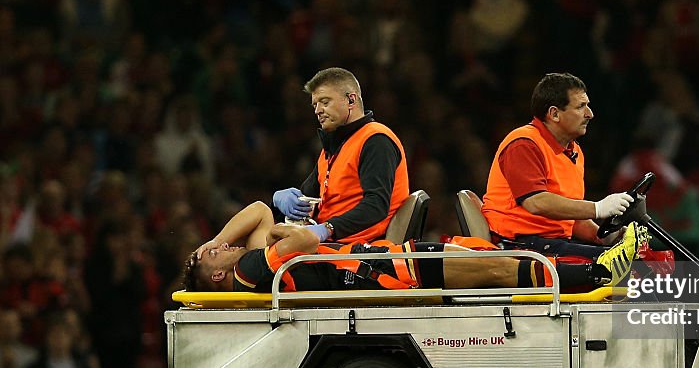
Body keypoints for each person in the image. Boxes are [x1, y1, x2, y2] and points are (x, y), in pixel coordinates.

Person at [186, 202, 644, 293]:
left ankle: (601, 265)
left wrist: (213, 241)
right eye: (210, 256)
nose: (214, 248)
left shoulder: (245, 261)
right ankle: (598, 274)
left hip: (389, 261)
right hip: (392, 270)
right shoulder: (249, 269)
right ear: (221, 275)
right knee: (501, 270)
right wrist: (300, 232)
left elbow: (259, 210)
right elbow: (300, 237)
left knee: (497, 264)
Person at [481, 72, 638, 265]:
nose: (590, 114)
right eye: (581, 106)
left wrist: (605, 237)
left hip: (548, 244)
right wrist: (598, 208)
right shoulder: (523, 144)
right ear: (554, 114)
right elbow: (536, 202)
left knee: (632, 259)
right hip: (518, 246)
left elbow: (572, 219)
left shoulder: (573, 152)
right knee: (619, 266)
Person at [272, 67, 410, 245]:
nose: (317, 111)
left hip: (356, 250)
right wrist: (278, 201)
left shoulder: (376, 141)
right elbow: (306, 197)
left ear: (351, 100)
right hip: (328, 246)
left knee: (252, 261)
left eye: (325, 102)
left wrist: (328, 228)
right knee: (258, 216)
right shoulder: (333, 148)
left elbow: (376, 206)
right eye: (315, 105)